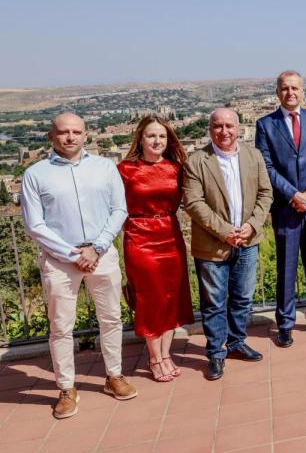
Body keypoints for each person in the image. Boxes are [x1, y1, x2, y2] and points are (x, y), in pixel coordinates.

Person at [21, 113, 136, 419]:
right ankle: (66, 388)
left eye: (76, 132)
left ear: (87, 135)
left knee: (111, 318)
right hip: (60, 262)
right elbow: (35, 225)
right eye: (63, 132)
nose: (70, 137)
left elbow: (119, 209)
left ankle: (114, 376)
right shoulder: (35, 174)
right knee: (61, 327)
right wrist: (74, 255)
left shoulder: (104, 168)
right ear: (51, 136)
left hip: (102, 255)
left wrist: (96, 248)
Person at [184, 108, 274, 380]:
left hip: (247, 240)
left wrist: (252, 225)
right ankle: (215, 353)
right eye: (218, 126)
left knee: (243, 298)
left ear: (239, 128)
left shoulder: (253, 155)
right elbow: (193, 203)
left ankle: (236, 342)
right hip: (212, 245)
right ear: (209, 129)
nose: (224, 131)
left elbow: (265, 193)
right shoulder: (196, 161)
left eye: (229, 126)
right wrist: (224, 232)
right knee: (213, 302)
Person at [255, 71, 306, 347]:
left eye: (295, 88)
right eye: (285, 88)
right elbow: (266, 167)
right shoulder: (265, 125)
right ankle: (286, 323)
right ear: (277, 92)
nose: (290, 93)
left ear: (303, 91)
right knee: (286, 268)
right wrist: (293, 195)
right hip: (286, 207)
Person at [117, 115, 194, 383]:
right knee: (149, 298)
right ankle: (154, 357)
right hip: (139, 237)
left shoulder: (176, 167)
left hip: (170, 236)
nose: (157, 140)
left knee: (171, 296)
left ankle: (166, 353)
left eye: (162, 136)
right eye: (151, 135)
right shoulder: (125, 169)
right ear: (140, 138)